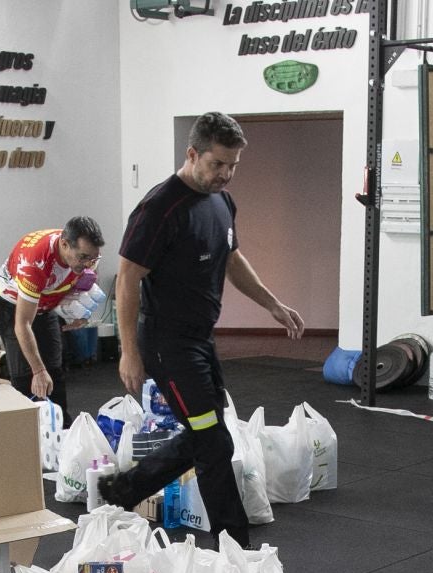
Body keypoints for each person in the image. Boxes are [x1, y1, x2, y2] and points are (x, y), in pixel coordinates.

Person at [97, 112, 304, 549]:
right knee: (212, 443)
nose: (226, 175)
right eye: (217, 165)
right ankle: (236, 548)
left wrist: (272, 304)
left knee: (209, 434)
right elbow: (128, 276)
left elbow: (232, 259)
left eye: (233, 166)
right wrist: (128, 350)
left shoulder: (222, 202)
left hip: (200, 340)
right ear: (192, 154)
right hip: (168, 345)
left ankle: (127, 489)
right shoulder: (160, 207)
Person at [0, 217, 105, 416]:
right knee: (28, 374)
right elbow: (23, 324)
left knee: (54, 368)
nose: (88, 264)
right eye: (84, 258)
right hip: (11, 303)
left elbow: (89, 277)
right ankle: (26, 430)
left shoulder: (83, 254)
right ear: (65, 245)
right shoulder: (35, 262)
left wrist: (78, 312)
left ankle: (62, 428)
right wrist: (37, 370)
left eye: (93, 258)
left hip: (45, 299)